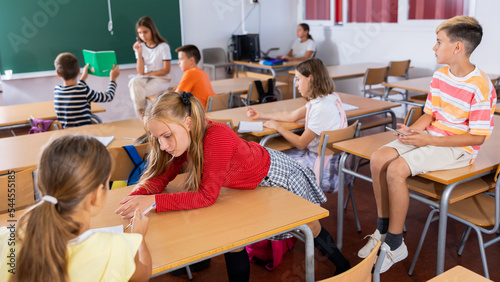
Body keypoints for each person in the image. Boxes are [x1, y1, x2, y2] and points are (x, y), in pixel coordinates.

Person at [115, 92, 350, 281]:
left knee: (311, 226)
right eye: (158, 139)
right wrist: (135, 197)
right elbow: (161, 177)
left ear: (187, 122)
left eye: (166, 136)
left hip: (275, 175)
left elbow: (206, 196)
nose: (163, 145)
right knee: (235, 241)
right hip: (242, 185)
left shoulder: (216, 136)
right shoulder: (181, 139)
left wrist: (154, 201)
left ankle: (343, 265)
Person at [357, 16, 497, 273]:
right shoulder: (440, 75)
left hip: (459, 149)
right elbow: (429, 114)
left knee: (397, 169)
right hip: (432, 136)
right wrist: (413, 130)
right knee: (378, 158)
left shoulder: (481, 86)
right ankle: (382, 229)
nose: (434, 47)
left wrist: (429, 140)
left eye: (439, 41)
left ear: (457, 47)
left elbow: (477, 137)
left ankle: (396, 244)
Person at [0, 135, 152, 281]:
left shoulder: (4, 237)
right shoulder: (114, 249)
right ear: (96, 195)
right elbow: (143, 274)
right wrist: (140, 237)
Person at [247, 58, 348, 193]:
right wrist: (261, 115)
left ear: (310, 79)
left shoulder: (321, 108)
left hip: (325, 171)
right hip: (331, 163)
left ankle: (284, 208)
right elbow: (292, 116)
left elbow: (301, 143)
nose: (296, 84)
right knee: (272, 156)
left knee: (266, 166)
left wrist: (278, 127)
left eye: (298, 79)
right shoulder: (329, 98)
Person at [54, 52, 119, 128]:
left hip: (68, 137)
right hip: (85, 136)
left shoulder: (57, 91)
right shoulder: (83, 90)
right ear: (79, 71)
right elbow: (108, 97)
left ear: (58, 74)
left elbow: (74, 90)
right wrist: (113, 80)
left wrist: (83, 78)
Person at [129, 16, 172, 120]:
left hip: (161, 79)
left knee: (139, 92)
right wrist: (138, 54)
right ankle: (142, 115)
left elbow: (166, 70)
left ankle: (145, 118)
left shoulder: (163, 46)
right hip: (146, 78)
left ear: (152, 30)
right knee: (133, 82)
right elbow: (140, 71)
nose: (142, 35)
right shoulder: (141, 47)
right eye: (139, 33)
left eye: (145, 32)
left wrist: (148, 74)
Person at [174, 44, 216, 108]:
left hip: (198, 112)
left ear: (191, 60)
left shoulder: (190, 73)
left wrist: (167, 93)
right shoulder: (202, 72)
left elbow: (175, 96)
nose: (178, 62)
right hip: (208, 110)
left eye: (181, 59)